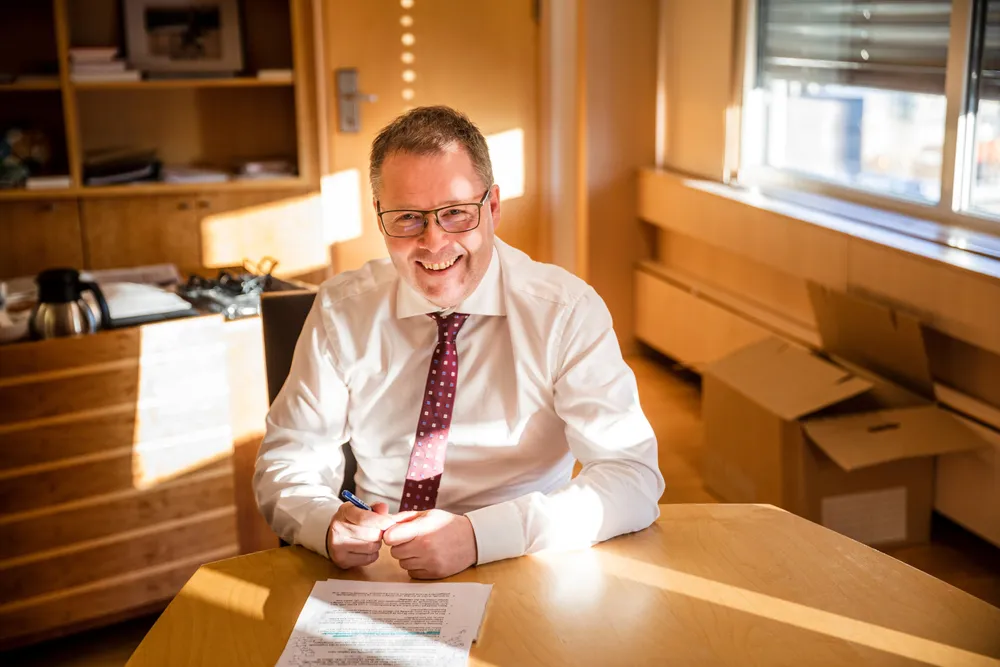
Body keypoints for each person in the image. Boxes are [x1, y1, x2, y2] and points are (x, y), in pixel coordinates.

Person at [255, 105, 663, 580]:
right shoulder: (342, 309)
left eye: (454, 213)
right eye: (407, 218)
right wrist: (325, 523)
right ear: (380, 216)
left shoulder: (565, 311)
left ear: (492, 207)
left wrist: (478, 536)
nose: (433, 242)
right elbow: (288, 459)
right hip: (380, 565)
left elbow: (632, 476)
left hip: (522, 558)